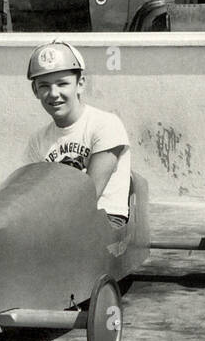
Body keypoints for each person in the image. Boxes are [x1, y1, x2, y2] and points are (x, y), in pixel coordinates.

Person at [23, 40, 131, 228]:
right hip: (61, 221)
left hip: (105, 219)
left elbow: (90, 194)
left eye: (62, 84)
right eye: (44, 86)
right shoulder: (38, 140)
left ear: (80, 84)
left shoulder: (105, 124)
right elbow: (30, 195)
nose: (53, 93)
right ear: (35, 91)